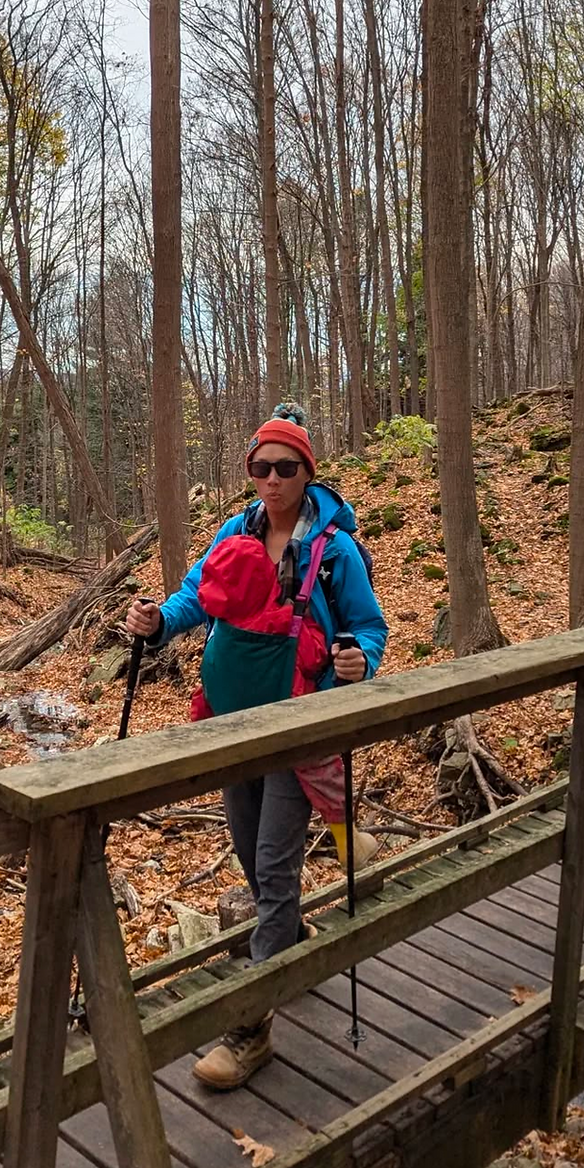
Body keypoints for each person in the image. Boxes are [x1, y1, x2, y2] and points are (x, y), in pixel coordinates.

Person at [126, 404, 388, 1089]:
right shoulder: (234, 531)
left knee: (272, 869)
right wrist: (157, 622)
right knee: (249, 853)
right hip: (232, 723)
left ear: (307, 473)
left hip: (298, 729)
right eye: (260, 467)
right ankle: (290, 945)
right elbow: (196, 599)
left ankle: (248, 1029)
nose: (270, 478)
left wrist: (359, 657)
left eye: (285, 467)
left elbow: (370, 627)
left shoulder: (335, 551)